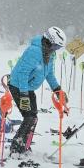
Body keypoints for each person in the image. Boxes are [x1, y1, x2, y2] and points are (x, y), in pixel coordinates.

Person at [8, 26, 68, 157]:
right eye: (56, 46)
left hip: (27, 87)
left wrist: (58, 90)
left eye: (58, 47)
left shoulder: (50, 54)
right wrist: (24, 95)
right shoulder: (34, 51)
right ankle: (16, 147)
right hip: (18, 85)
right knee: (29, 117)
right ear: (49, 41)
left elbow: (49, 74)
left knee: (33, 117)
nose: (56, 49)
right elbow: (23, 74)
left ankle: (25, 145)